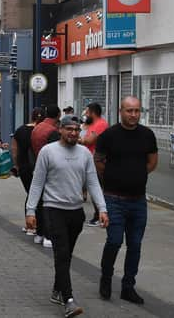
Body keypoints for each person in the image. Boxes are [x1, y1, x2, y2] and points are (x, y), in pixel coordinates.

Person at [26, 115, 108, 318]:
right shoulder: (48, 151)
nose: (73, 133)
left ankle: (57, 290)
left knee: (66, 255)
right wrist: (30, 211)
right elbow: (37, 183)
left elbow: (92, 182)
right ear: (60, 130)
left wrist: (102, 208)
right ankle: (68, 300)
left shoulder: (84, 154)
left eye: (76, 129)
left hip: (76, 212)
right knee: (61, 254)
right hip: (53, 210)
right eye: (69, 129)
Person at [95, 96, 158, 305]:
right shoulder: (109, 135)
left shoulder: (147, 135)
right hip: (114, 199)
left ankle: (128, 286)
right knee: (114, 241)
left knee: (135, 245)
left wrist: (137, 174)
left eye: (137, 111)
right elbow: (99, 161)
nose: (133, 115)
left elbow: (152, 162)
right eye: (129, 111)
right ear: (120, 111)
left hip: (138, 201)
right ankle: (106, 278)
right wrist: (114, 177)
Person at [30, 104, 62, 248]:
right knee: (49, 205)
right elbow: (56, 153)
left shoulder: (37, 128)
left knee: (39, 203)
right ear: (58, 116)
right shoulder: (53, 132)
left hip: (37, 167)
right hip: (50, 172)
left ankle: (39, 233)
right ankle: (48, 235)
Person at [12, 107, 42, 236]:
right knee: (37, 195)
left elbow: (14, 150)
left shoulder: (20, 130)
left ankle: (30, 224)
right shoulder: (42, 131)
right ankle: (35, 225)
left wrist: (16, 165)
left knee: (30, 193)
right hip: (38, 167)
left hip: (24, 167)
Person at [78, 102, 109, 227]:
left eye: (87, 112)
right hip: (90, 159)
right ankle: (99, 214)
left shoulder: (101, 124)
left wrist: (77, 139)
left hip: (97, 161)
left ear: (93, 112)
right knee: (93, 187)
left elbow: (89, 140)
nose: (85, 114)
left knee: (97, 188)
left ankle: (99, 215)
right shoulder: (92, 124)